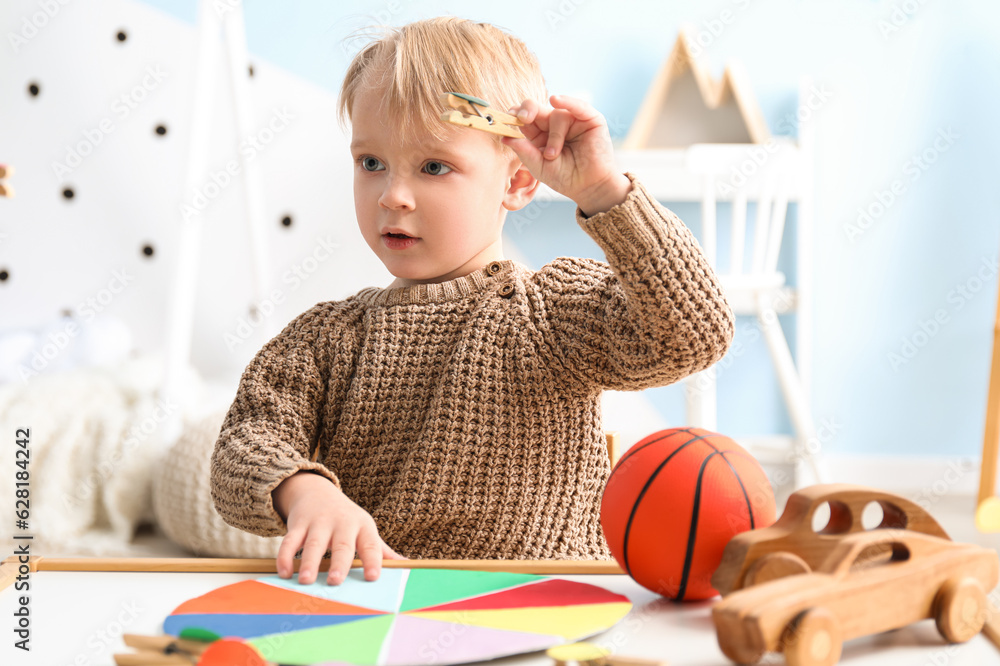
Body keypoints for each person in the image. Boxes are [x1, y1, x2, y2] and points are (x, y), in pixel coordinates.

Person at [210, 16, 734, 588]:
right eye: (371, 163)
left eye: (434, 167)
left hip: (543, 606)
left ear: (517, 182)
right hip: (381, 608)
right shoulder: (325, 337)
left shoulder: (553, 311)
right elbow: (245, 446)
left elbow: (695, 332)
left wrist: (605, 192)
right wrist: (305, 491)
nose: (393, 195)